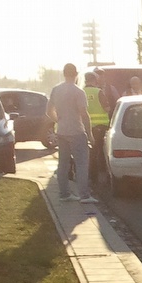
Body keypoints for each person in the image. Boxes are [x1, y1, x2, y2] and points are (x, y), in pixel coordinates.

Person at [46, 63, 96, 203]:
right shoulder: (78, 92)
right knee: (81, 164)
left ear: (64, 73)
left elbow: (48, 111)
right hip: (77, 131)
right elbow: (84, 114)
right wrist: (90, 134)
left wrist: (58, 120)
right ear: (76, 74)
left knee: (63, 164)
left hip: (61, 131)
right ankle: (84, 195)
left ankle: (64, 193)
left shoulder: (56, 90)